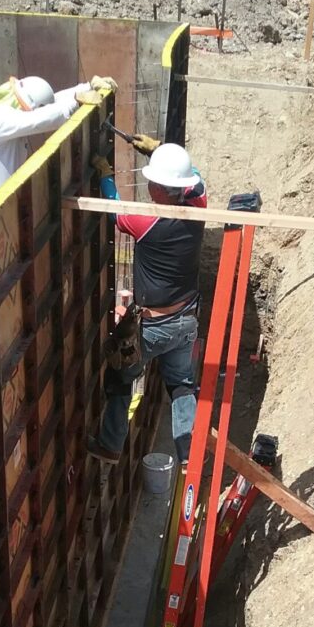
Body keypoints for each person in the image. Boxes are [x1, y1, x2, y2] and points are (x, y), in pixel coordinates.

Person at [88, 139, 207, 467]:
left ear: (158, 188)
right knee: (181, 384)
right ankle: (188, 455)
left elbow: (113, 207)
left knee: (120, 377)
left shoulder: (147, 223)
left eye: (153, 181)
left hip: (153, 327)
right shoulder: (200, 206)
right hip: (186, 319)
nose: (149, 185)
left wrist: (106, 177)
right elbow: (196, 177)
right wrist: (156, 149)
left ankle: (110, 446)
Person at [0, 74, 117, 221]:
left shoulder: (10, 113)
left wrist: (87, 87)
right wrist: (75, 102)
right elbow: (38, 118)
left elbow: (50, 103)